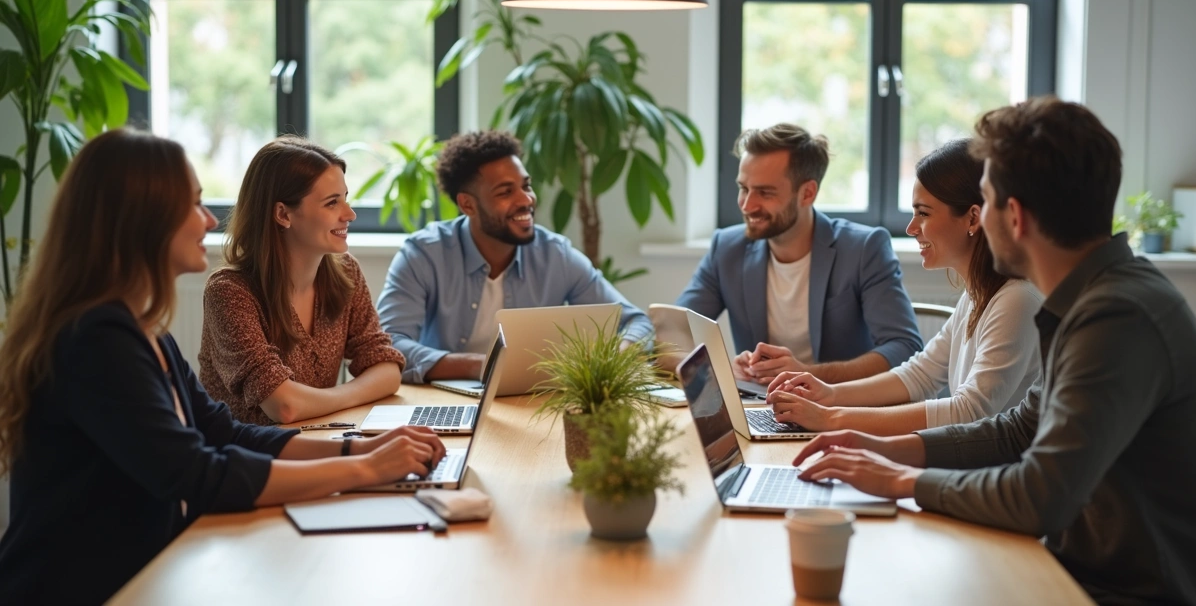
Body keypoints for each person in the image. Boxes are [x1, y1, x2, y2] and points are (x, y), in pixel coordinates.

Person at [792, 98, 1196, 604]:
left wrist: (904, 480)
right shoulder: (1093, 298)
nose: (980, 215)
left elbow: (1039, 497)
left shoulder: (1116, 317)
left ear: (1011, 216)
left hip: (1122, 592)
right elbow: (1017, 430)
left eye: (986, 199)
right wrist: (881, 448)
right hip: (1081, 572)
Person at [0, 130, 444, 604]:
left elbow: (225, 433)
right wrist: (363, 470)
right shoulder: (95, 340)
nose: (209, 220)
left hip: (144, 574)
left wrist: (356, 449)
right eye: (192, 205)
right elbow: (197, 473)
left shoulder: (145, 331)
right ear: (140, 221)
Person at [766, 139, 1042, 435]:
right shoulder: (977, 296)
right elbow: (919, 375)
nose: (911, 228)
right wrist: (829, 394)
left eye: (923, 213)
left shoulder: (1016, 299)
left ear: (972, 218)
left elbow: (969, 410)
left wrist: (832, 418)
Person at [377, 130, 653, 383]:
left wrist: (615, 356)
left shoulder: (555, 255)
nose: (526, 200)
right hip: (442, 401)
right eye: (506, 192)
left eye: (526, 186)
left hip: (527, 400)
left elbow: (636, 322)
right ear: (467, 204)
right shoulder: (424, 254)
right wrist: (483, 366)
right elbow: (389, 344)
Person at [675, 123, 922, 384]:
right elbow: (672, 336)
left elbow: (905, 347)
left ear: (807, 193)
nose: (747, 205)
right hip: (761, 408)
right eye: (743, 188)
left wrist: (809, 374)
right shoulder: (726, 248)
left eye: (765, 192)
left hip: (842, 408)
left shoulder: (863, 249)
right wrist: (723, 369)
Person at [199, 137, 405, 425]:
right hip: (248, 460)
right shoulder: (230, 292)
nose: (350, 214)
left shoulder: (346, 272)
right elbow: (283, 407)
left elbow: (387, 370)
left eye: (345, 198)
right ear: (283, 214)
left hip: (316, 442)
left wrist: (325, 402)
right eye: (332, 203)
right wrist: (353, 395)